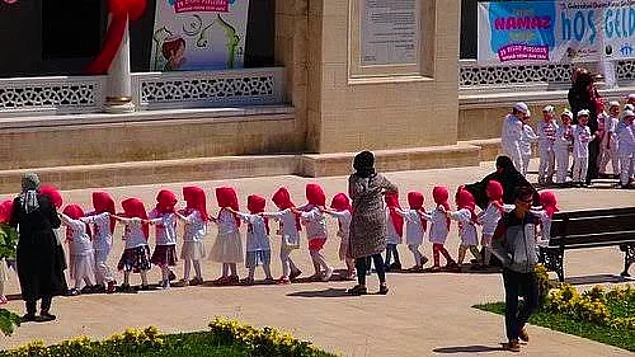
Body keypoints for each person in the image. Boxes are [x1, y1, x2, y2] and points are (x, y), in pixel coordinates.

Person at [9, 173, 66, 322]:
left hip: (26, 243)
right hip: (46, 243)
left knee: (29, 275)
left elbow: (13, 225)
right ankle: (45, 310)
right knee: (47, 274)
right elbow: (55, 223)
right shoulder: (46, 201)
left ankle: (30, 311)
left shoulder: (18, 202)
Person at [491, 187, 541, 352]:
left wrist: (536, 255)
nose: (530, 204)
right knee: (511, 303)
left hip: (529, 267)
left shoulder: (532, 219)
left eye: (531, 200)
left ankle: (518, 326)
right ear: (517, 202)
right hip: (512, 269)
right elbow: (494, 243)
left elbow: (535, 239)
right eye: (526, 201)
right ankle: (512, 338)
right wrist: (507, 259)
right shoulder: (506, 221)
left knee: (533, 301)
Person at [347, 151, 397, 296]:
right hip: (377, 219)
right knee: (376, 253)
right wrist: (380, 193)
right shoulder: (379, 178)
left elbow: (353, 194)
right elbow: (394, 189)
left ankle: (362, 284)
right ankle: (383, 284)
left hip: (361, 219)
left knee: (361, 254)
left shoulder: (354, 179)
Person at [462, 156, 540, 210]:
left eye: (499, 167)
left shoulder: (517, 177)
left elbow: (531, 192)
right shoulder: (495, 177)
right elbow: (481, 186)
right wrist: (467, 187)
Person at [262, 187, 302, 284]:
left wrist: (262, 214)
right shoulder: (288, 209)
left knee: (283, 256)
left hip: (290, 237)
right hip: (289, 236)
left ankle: (286, 277)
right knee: (285, 255)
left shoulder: (288, 210)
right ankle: (294, 270)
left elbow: (276, 215)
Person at [568, 68, 602, 184]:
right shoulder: (574, 92)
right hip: (580, 126)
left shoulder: (592, 91)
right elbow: (578, 108)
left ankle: (590, 173)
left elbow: (597, 107)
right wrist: (589, 97)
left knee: (593, 152)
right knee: (581, 153)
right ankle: (579, 176)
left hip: (592, 124)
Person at [231, 195, 274, 285]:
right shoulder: (261, 216)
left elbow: (243, 216)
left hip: (255, 244)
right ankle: (268, 276)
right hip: (263, 244)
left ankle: (251, 277)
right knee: (264, 262)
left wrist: (232, 210)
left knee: (252, 263)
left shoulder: (256, 217)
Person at [112, 198, 152, 292]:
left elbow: (124, 220)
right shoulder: (135, 218)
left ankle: (143, 283)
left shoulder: (136, 219)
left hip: (137, 246)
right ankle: (129, 283)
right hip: (132, 246)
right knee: (130, 266)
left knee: (137, 267)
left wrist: (114, 216)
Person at [296, 184, 333, 281]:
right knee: (313, 253)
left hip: (319, 234)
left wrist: (297, 213)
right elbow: (303, 208)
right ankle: (317, 272)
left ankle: (328, 268)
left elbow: (308, 215)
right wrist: (294, 209)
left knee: (314, 252)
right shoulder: (310, 205)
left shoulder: (317, 209)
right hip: (312, 234)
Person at [59, 204, 97, 296]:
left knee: (79, 270)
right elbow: (64, 222)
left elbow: (68, 221)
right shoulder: (72, 223)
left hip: (82, 251)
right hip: (77, 250)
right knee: (83, 269)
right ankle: (89, 284)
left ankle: (77, 287)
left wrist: (59, 213)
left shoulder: (79, 223)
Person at [83, 191, 117, 293]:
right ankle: (100, 284)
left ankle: (110, 280)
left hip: (104, 243)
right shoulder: (97, 212)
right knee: (95, 264)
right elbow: (87, 214)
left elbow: (91, 219)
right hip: (97, 242)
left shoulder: (105, 215)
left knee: (100, 263)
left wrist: (80, 219)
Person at [175, 186, 208, 286]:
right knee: (195, 259)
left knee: (188, 259)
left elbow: (187, 220)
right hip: (193, 237)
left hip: (192, 238)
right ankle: (198, 276)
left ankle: (186, 279)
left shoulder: (196, 212)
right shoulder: (195, 210)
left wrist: (176, 213)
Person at [210, 187, 243, 285]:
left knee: (226, 256)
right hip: (229, 234)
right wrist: (214, 220)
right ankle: (234, 275)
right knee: (231, 256)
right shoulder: (227, 210)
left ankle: (225, 275)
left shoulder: (228, 210)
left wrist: (216, 221)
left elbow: (224, 224)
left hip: (228, 235)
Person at [148, 190, 179, 289]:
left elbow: (163, 222)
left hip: (168, 241)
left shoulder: (172, 213)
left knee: (164, 263)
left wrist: (153, 221)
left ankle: (166, 281)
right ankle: (169, 274)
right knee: (159, 262)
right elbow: (149, 216)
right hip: (160, 241)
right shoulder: (157, 210)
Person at [421, 186, 456, 271]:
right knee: (439, 246)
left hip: (440, 231)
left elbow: (433, 218)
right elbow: (433, 213)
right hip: (440, 229)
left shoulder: (441, 207)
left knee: (437, 246)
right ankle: (449, 261)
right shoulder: (442, 205)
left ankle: (438, 264)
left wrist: (422, 214)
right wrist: (426, 213)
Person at [448, 189, 482, 270]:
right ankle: (480, 262)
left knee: (463, 248)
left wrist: (449, 214)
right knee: (473, 248)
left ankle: (459, 264)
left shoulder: (465, 211)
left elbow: (457, 215)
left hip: (468, 234)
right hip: (469, 233)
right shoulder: (468, 210)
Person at [322, 193, 354, 280]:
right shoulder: (346, 209)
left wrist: (325, 211)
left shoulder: (346, 212)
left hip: (349, 237)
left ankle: (351, 271)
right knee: (345, 254)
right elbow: (335, 212)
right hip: (346, 236)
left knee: (347, 255)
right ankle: (351, 270)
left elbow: (336, 214)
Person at [395, 192, 429, 271]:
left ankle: (419, 265)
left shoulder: (413, 212)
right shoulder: (419, 210)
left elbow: (403, 214)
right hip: (417, 234)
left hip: (414, 234)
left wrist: (396, 210)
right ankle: (421, 258)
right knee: (412, 247)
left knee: (413, 248)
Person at [477, 180, 505, 268]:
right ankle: (486, 263)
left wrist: (479, 220)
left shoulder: (495, 204)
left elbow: (488, 216)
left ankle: (504, 261)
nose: (486, 191)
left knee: (490, 247)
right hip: (488, 229)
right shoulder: (491, 202)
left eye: (488, 190)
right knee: (487, 247)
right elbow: (485, 212)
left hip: (491, 229)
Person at [501, 103, 528, 173]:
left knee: (508, 162)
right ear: (518, 112)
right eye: (523, 114)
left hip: (504, 143)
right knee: (519, 163)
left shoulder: (507, 117)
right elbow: (521, 135)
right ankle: (519, 180)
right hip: (513, 144)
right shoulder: (518, 123)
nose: (524, 116)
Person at [571, 110, 596, 186]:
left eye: (586, 120)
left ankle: (582, 180)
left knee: (585, 166)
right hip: (577, 150)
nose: (584, 122)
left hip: (585, 150)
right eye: (582, 120)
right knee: (577, 166)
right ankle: (575, 180)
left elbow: (588, 139)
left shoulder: (587, 128)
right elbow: (570, 135)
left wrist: (594, 136)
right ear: (578, 119)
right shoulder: (574, 127)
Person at [536, 105, 559, 185]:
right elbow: (540, 134)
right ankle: (541, 178)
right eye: (545, 115)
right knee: (544, 162)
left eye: (548, 114)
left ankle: (549, 178)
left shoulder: (554, 123)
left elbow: (558, 132)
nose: (547, 117)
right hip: (544, 146)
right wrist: (549, 137)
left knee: (552, 163)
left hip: (552, 146)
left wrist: (553, 123)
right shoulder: (540, 124)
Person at [598, 102, 620, 178]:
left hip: (608, 141)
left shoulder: (609, 118)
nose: (617, 111)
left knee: (607, 157)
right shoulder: (613, 120)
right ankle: (617, 173)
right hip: (611, 141)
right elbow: (610, 132)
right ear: (610, 110)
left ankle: (601, 170)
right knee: (615, 158)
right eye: (615, 110)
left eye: (617, 109)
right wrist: (608, 143)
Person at [383, 191, 404, 271]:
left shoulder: (389, 209)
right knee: (394, 248)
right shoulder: (397, 207)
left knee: (389, 248)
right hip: (396, 232)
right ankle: (397, 262)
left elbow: (385, 219)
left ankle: (387, 263)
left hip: (390, 233)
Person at [554, 110, 574, 185]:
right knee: (561, 164)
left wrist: (571, 144)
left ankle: (563, 179)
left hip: (565, 149)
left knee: (565, 164)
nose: (565, 120)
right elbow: (561, 139)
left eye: (567, 119)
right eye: (563, 119)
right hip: (559, 148)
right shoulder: (560, 128)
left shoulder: (570, 128)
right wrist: (569, 143)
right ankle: (559, 180)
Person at [617, 110, 635, 188]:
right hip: (625, 151)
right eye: (630, 119)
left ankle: (627, 180)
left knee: (630, 166)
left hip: (630, 150)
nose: (631, 121)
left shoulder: (626, 127)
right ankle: (624, 183)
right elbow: (632, 140)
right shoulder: (624, 128)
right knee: (625, 167)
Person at [520, 112, 538, 177]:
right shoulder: (516, 127)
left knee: (524, 167)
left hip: (526, 150)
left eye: (526, 118)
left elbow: (533, 138)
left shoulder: (528, 128)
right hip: (518, 150)